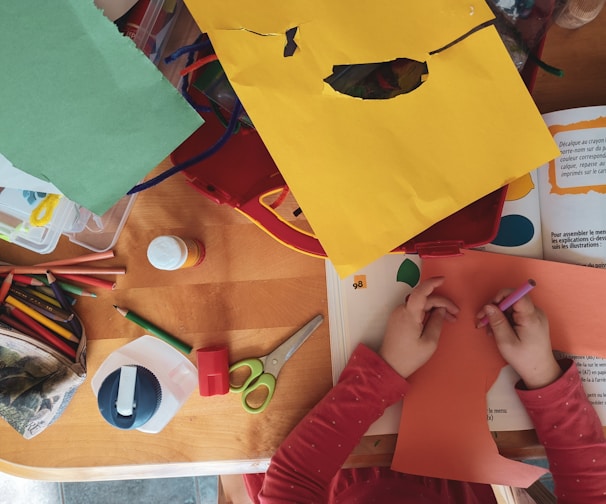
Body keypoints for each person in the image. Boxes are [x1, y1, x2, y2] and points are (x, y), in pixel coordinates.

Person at [243, 276, 606, 503]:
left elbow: (294, 477)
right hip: (458, 477)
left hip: (337, 469)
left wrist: (383, 373)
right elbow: (593, 486)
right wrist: (543, 374)